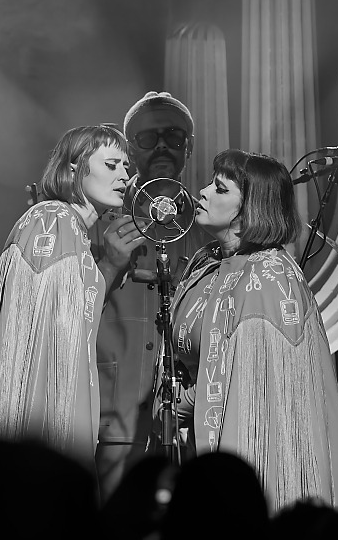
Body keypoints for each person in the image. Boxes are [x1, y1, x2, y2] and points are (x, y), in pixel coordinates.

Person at [169, 149, 338, 512]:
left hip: (250, 455)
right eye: (211, 183)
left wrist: (182, 403)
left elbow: (249, 390)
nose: (204, 191)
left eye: (221, 189)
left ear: (249, 213)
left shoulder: (269, 278)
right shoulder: (210, 262)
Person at [0, 124, 133, 471]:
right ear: (74, 168)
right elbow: (44, 341)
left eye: (127, 167)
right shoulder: (53, 220)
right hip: (40, 416)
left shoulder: (69, 227)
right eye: (112, 164)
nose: (125, 176)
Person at [95, 91, 204, 499]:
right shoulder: (99, 220)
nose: (161, 146)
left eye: (174, 137)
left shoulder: (207, 221)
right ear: (128, 148)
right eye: (147, 138)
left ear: (188, 147)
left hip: (187, 414)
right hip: (114, 413)